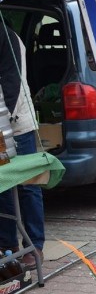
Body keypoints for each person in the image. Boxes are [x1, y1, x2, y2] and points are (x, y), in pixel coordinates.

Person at [0, 22, 44, 270]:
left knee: (27, 184)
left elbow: (13, 84)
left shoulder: (9, 37)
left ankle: (35, 245)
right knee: (3, 184)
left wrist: (6, 123)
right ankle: (8, 245)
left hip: (17, 123)